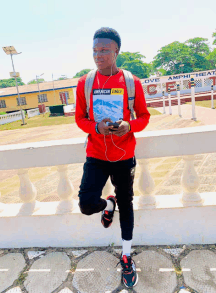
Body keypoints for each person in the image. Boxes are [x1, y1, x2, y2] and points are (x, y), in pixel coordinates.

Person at [75, 27, 150, 288]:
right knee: (85, 204)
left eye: (104, 50)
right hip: (96, 153)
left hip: (123, 154)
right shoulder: (85, 83)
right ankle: (108, 206)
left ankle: (127, 255)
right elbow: (80, 119)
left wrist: (129, 126)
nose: (98, 55)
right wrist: (96, 127)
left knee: (127, 203)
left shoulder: (131, 82)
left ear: (116, 51)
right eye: (95, 50)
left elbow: (144, 117)